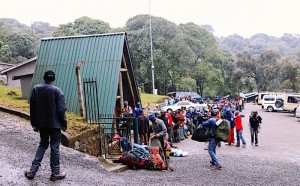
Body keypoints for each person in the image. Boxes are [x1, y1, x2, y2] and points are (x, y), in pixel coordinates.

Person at [25, 70, 67, 181]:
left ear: (44, 77)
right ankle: (55, 173)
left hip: (42, 124)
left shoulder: (36, 89)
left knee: (43, 145)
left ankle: (32, 171)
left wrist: (34, 124)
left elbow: (32, 108)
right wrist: (63, 124)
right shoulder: (58, 91)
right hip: (55, 125)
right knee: (54, 147)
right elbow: (61, 110)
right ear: (53, 79)